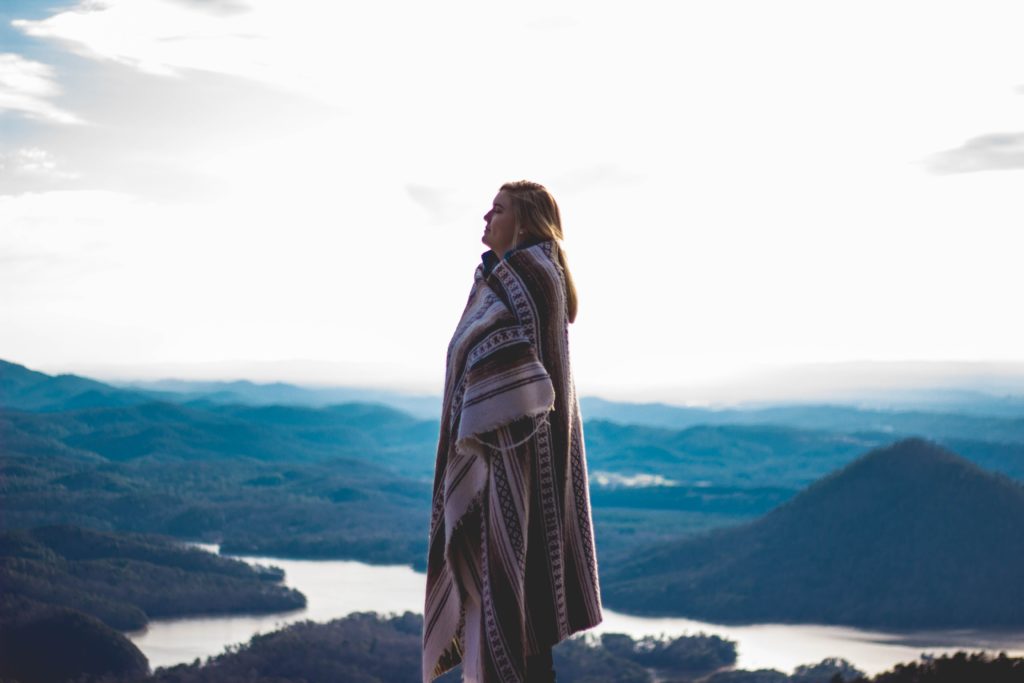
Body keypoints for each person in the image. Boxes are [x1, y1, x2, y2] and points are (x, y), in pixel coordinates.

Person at [422, 181, 603, 683]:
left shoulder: (527, 276)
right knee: (520, 619)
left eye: (497, 209)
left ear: (524, 221)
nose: (485, 216)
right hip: (510, 463)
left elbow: (506, 368)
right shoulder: (511, 277)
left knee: (516, 612)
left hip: (511, 465)